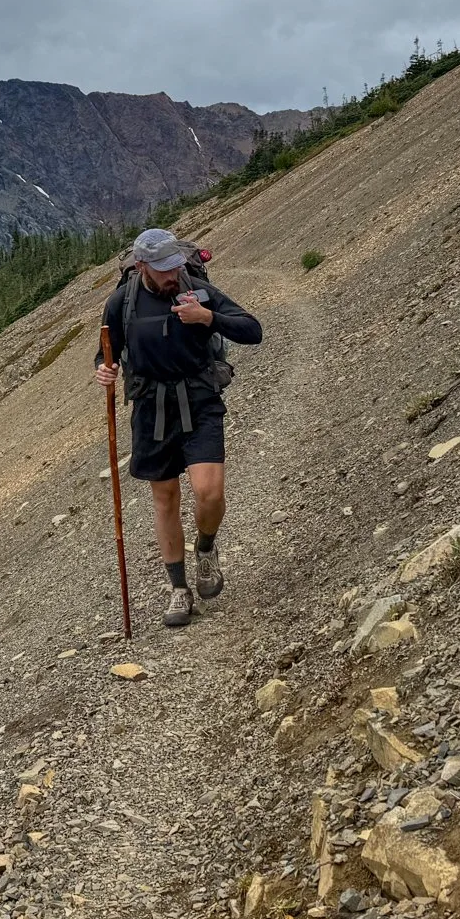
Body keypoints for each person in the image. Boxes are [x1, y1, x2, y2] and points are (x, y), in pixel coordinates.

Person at [93, 228, 262, 627]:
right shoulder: (122, 302)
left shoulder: (197, 290)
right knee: (165, 499)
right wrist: (104, 369)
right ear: (141, 267)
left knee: (209, 491)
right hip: (151, 409)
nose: (173, 275)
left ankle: (205, 548)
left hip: (200, 399)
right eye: (164, 269)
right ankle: (179, 590)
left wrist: (208, 317)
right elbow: (106, 350)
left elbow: (252, 330)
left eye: (176, 266)